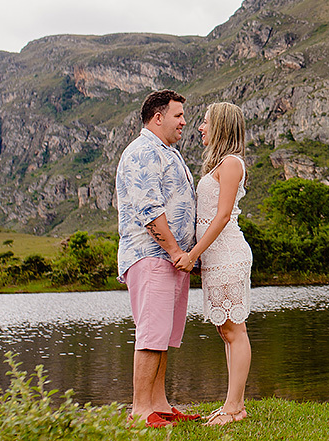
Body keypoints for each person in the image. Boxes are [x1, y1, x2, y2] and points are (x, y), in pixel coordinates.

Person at [115, 89, 200, 428]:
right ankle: (139, 410)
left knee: (164, 334)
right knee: (152, 333)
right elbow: (149, 208)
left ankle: (159, 403)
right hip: (152, 256)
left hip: (171, 259)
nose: (184, 121)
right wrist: (176, 250)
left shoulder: (168, 153)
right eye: (178, 115)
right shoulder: (142, 152)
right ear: (158, 117)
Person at [176, 101, 253, 426]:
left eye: (206, 122)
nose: (200, 127)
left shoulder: (232, 163)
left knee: (235, 330)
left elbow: (222, 217)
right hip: (215, 258)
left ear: (220, 126)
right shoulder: (219, 164)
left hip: (228, 255)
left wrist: (192, 255)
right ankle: (230, 404)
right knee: (227, 331)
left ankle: (235, 407)